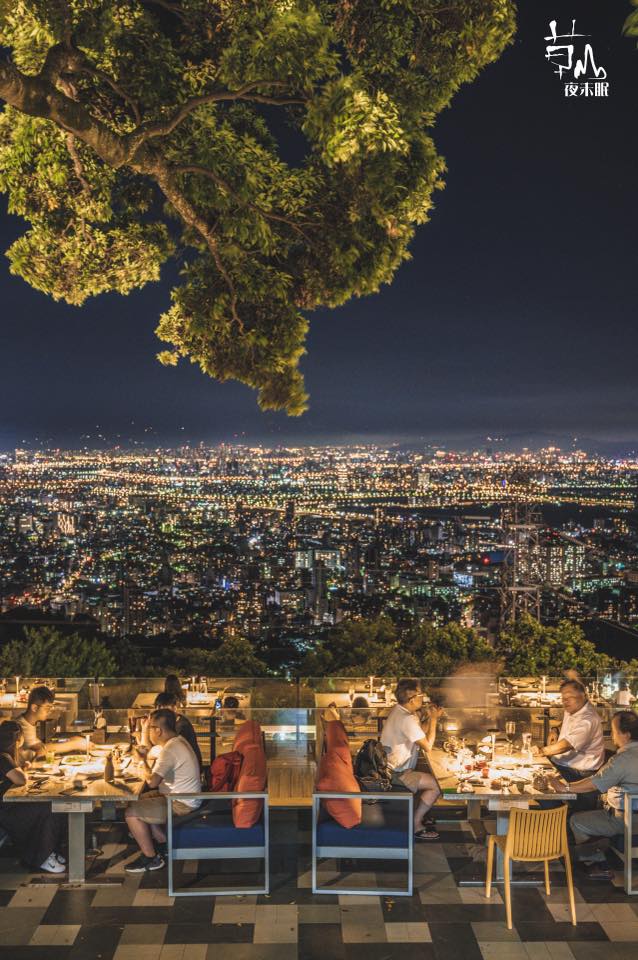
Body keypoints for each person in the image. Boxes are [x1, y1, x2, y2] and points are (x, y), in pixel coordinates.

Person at [550, 710, 638, 880]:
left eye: (613, 731)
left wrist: (565, 788)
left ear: (625, 735)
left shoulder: (623, 760)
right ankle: (597, 847)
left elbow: (595, 783)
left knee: (577, 820)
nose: (612, 736)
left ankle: (598, 864)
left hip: (625, 821)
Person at [125, 708, 202, 873]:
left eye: (150, 728)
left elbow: (152, 782)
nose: (150, 731)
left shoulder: (170, 750)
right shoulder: (177, 741)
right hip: (178, 796)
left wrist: (142, 761)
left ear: (158, 730)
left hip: (181, 802)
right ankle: (162, 841)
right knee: (135, 800)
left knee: (131, 814)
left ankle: (151, 858)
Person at [380, 679, 443, 840]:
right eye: (421, 695)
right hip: (396, 774)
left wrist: (428, 717)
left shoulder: (400, 711)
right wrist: (435, 719)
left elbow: (419, 734)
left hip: (391, 769)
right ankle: (415, 824)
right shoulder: (406, 719)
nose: (423, 698)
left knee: (430, 773)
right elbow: (427, 746)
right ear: (412, 699)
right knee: (437, 785)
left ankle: (419, 816)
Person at [0, 720, 66, 873]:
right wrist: (22, 772)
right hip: (6, 812)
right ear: (18, 739)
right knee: (48, 808)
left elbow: (12, 774)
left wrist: (22, 768)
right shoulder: (3, 757)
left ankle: (50, 850)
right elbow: (20, 779)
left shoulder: (5, 755)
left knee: (50, 805)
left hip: (8, 805)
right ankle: (42, 858)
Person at [534, 678, 605, 810]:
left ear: (583, 696)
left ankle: (558, 817)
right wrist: (555, 730)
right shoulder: (573, 708)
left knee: (541, 789)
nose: (565, 701)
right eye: (563, 697)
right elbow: (567, 724)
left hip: (579, 773)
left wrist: (542, 751)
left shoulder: (588, 720)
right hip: (563, 764)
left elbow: (567, 745)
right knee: (535, 779)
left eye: (569, 697)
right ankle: (555, 813)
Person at [17, 686, 86, 759]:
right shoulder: (20, 726)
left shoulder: (29, 723)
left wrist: (69, 740)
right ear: (34, 708)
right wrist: (74, 744)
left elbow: (40, 745)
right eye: (47, 708)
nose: (49, 711)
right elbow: (41, 749)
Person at [153, 691, 202, 767]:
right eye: (158, 710)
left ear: (175, 708)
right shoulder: (170, 723)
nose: (159, 714)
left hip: (188, 768)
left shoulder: (181, 726)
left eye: (164, 710)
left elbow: (164, 749)